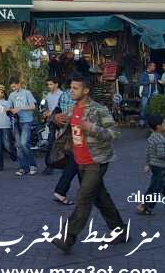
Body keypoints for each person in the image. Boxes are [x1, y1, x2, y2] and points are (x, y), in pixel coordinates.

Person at [51, 74, 127, 253]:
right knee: (101, 198)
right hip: (79, 161)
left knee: (84, 198)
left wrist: (91, 127)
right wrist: (56, 119)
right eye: (70, 87)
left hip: (96, 161)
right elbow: (62, 122)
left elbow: (114, 133)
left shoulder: (99, 110)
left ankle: (67, 237)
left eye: (75, 88)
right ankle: (120, 231)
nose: (71, 91)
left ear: (85, 90)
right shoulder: (73, 109)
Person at [136, 115, 165, 215]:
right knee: (156, 187)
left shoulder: (152, 137)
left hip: (157, 166)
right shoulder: (160, 140)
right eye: (164, 123)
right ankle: (144, 206)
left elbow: (149, 152)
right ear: (159, 126)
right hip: (160, 167)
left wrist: (148, 163)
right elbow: (161, 155)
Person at [52, 82, 80, 205]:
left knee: (77, 163)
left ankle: (62, 191)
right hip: (74, 133)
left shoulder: (63, 95)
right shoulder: (78, 95)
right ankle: (61, 191)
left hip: (66, 132)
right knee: (75, 163)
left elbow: (57, 111)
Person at [8, 77, 38, 176]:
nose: (13, 88)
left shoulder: (27, 93)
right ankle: (23, 167)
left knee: (24, 143)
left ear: (19, 84)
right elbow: (9, 107)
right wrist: (8, 109)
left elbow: (33, 107)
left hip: (27, 121)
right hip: (16, 121)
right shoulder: (11, 95)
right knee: (19, 145)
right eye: (12, 87)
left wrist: (20, 108)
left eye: (14, 86)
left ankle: (32, 165)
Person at [42, 77, 63, 175]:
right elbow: (45, 107)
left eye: (50, 84)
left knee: (62, 145)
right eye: (48, 84)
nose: (49, 86)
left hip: (61, 122)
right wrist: (45, 113)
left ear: (56, 84)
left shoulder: (62, 95)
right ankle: (49, 166)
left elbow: (63, 108)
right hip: (52, 123)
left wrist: (52, 113)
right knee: (50, 144)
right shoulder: (48, 96)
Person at [138, 62, 159, 127]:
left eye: (155, 66)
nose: (154, 67)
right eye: (153, 66)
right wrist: (149, 82)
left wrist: (155, 79)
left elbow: (158, 79)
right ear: (149, 66)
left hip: (153, 94)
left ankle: (151, 123)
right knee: (143, 108)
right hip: (145, 93)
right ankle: (142, 122)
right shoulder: (144, 74)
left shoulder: (155, 74)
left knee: (152, 108)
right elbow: (140, 82)